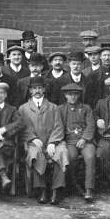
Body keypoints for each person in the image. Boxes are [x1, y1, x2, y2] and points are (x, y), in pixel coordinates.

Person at [19, 76, 68, 205]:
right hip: (34, 142)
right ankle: (42, 190)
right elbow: (22, 128)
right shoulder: (23, 108)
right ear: (30, 91)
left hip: (53, 141)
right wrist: (33, 138)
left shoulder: (53, 107)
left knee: (61, 153)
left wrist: (52, 142)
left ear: (44, 89)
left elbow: (58, 127)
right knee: (36, 154)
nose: (37, 91)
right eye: (34, 88)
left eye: (39, 88)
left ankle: (55, 190)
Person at [57, 84, 96, 201]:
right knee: (70, 157)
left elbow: (91, 125)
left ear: (79, 95)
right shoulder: (60, 109)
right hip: (69, 141)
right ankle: (73, 185)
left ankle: (89, 189)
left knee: (90, 157)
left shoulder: (86, 108)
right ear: (65, 95)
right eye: (70, 94)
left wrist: (84, 138)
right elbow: (58, 126)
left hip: (85, 140)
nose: (72, 97)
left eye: (75, 94)